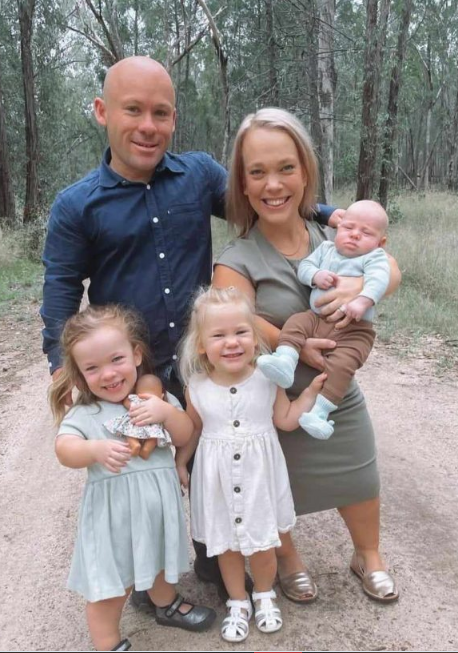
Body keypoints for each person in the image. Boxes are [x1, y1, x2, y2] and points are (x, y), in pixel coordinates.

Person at [40, 56, 342, 603]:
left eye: (160, 113)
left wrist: (330, 214)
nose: (147, 126)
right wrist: (64, 371)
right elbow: (61, 288)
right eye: (133, 110)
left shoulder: (198, 175)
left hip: (206, 359)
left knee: (218, 454)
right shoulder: (77, 205)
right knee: (144, 475)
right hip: (132, 372)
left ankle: (216, 551)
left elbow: (261, 199)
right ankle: (146, 578)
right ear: (102, 111)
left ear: (174, 118)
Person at [213, 107, 401, 604]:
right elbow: (236, 319)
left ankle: (368, 556)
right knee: (271, 481)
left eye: (286, 168)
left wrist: (363, 286)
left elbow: (387, 264)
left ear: (305, 173)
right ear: (243, 184)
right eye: (257, 172)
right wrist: (294, 345)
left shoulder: (334, 238)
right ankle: (288, 559)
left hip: (335, 387)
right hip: (272, 397)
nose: (273, 184)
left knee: (358, 469)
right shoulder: (236, 258)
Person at [49, 304, 216, 652]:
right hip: (113, 522)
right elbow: (64, 449)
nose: (108, 374)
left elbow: (185, 434)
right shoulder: (87, 413)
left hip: (156, 512)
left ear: (136, 355)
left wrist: (166, 412)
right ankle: (108, 643)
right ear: (79, 374)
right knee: (111, 587)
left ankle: (166, 603)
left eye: (116, 360)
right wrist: (93, 449)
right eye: (92, 368)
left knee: (159, 561)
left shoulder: (155, 400)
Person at [175, 287, 327, 643]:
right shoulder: (196, 386)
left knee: (262, 543)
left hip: (259, 477)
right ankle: (238, 602)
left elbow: (285, 419)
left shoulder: (267, 378)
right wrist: (181, 461)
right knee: (226, 546)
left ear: (255, 338)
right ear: (201, 345)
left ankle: (264, 594)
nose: (232, 342)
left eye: (241, 332)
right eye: (219, 335)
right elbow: (194, 428)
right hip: (216, 480)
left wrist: (309, 395)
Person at [257, 200, 390, 440]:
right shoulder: (326, 249)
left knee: (342, 365)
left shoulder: (374, 257)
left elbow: (379, 279)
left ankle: (320, 412)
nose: (355, 235)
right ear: (338, 228)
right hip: (316, 318)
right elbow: (304, 267)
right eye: (348, 228)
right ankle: (285, 360)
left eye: (366, 232)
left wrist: (362, 300)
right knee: (295, 323)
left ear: (380, 242)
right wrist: (315, 275)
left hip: (354, 330)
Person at [105, 374, 172, 459]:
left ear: (136, 392)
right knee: (154, 438)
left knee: (129, 432)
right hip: (153, 426)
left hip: (136, 422)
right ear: (162, 396)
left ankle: (134, 444)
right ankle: (147, 449)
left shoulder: (135, 399)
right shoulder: (160, 403)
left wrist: (132, 406)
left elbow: (126, 403)